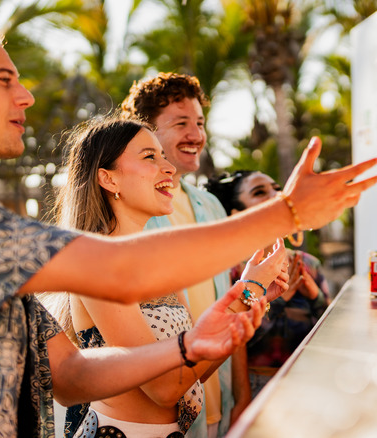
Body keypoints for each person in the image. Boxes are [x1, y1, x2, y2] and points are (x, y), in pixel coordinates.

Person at [0, 11, 377, 437]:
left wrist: (188, 345)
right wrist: (288, 212)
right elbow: (123, 271)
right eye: (3, 80)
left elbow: (72, 372)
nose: (26, 97)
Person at [40, 116, 287, 437]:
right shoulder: (97, 266)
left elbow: (190, 372)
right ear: (108, 179)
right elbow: (165, 389)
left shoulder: (157, 266)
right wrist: (246, 291)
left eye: (164, 156)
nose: (169, 168)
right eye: (149, 157)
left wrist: (254, 300)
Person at [119, 73, 248, 438]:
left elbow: (231, 303)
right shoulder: (129, 213)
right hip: (162, 414)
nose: (196, 135)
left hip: (217, 405)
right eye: (181, 123)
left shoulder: (210, 206)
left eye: (200, 123)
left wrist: (241, 396)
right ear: (145, 131)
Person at [206, 170, 332, 397]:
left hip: (309, 382)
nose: (275, 195)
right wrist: (280, 300)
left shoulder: (308, 264)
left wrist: (315, 296)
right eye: (259, 192)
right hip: (255, 386)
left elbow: (331, 328)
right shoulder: (233, 271)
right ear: (237, 214)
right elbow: (233, 340)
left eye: (276, 188)